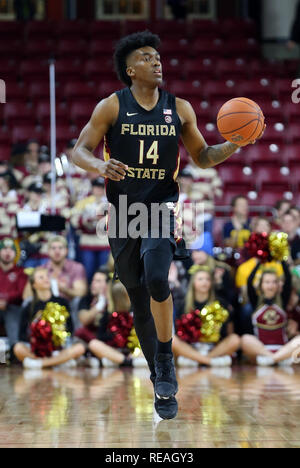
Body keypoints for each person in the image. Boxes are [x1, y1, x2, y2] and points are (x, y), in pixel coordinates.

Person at [72, 31, 265, 419]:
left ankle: (164, 362)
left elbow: (203, 156)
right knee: (138, 297)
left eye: (158, 57)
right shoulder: (111, 107)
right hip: (124, 212)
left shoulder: (179, 109)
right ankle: (161, 382)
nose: (156, 62)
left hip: (161, 207)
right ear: (130, 70)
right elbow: (78, 150)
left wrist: (235, 143)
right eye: (146, 57)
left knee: (159, 278)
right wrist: (98, 165)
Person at [14, 268, 85, 369]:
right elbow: (21, 335)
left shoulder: (62, 302)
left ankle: (40, 363)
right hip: (38, 349)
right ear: (34, 285)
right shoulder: (29, 307)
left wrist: (57, 337)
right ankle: (58, 362)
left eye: (47, 277)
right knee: (18, 348)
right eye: (41, 277)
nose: (46, 279)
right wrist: (37, 339)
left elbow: (71, 328)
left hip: (59, 347)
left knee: (80, 348)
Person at [173, 268, 240, 367]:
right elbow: (178, 333)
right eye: (200, 279)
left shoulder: (220, 303)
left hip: (214, 348)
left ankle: (200, 360)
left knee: (235, 339)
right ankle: (209, 362)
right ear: (193, 283)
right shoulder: (183, 304)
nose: (204, 282)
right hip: (191, 348)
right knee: (172, 340)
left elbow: (229, 331)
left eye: (207, 279)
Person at [241, 259, 300, 365]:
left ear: (278, 285)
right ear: (261, 285)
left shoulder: (282, 300)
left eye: (274, 282)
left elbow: (288, 278)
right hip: (261, 350)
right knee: (245, 338)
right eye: (267, 282)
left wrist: (281, 259)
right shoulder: (256, 302)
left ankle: (273, 359)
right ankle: (274, 359)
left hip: (283, 349)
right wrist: (259, 263)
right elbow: (249, 282)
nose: (270, 285)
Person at [71, 177, 111, 282]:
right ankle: (88, 295)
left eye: (101, 187)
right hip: (87, 241)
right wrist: (86, 221)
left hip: (104, 242)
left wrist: (104, 220)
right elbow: (73, 220)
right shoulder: (83, 202)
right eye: (96, 187)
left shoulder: (110, 202)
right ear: (92, 188)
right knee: (87, 272)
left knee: (104, 271)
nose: (99, 190)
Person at [0, 238, 28, 351]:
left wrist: (5, 300)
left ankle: (14, 349)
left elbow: (20, 293)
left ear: (16, 254)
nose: (7, 252)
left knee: (13, 312)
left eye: (11, 250)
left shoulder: (21, 272)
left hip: (13, 307)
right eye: (4, 249)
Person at [43, 236, 87, 303]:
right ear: (48, 251)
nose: (57, 251)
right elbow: (27, 296)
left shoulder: (76, 267)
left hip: (69, 305)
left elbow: (81, 293)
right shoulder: (42, 269)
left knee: (77, 301)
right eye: (53, 248)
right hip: (46, 304)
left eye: (60, 248)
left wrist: (65, 290)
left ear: (67, 251)